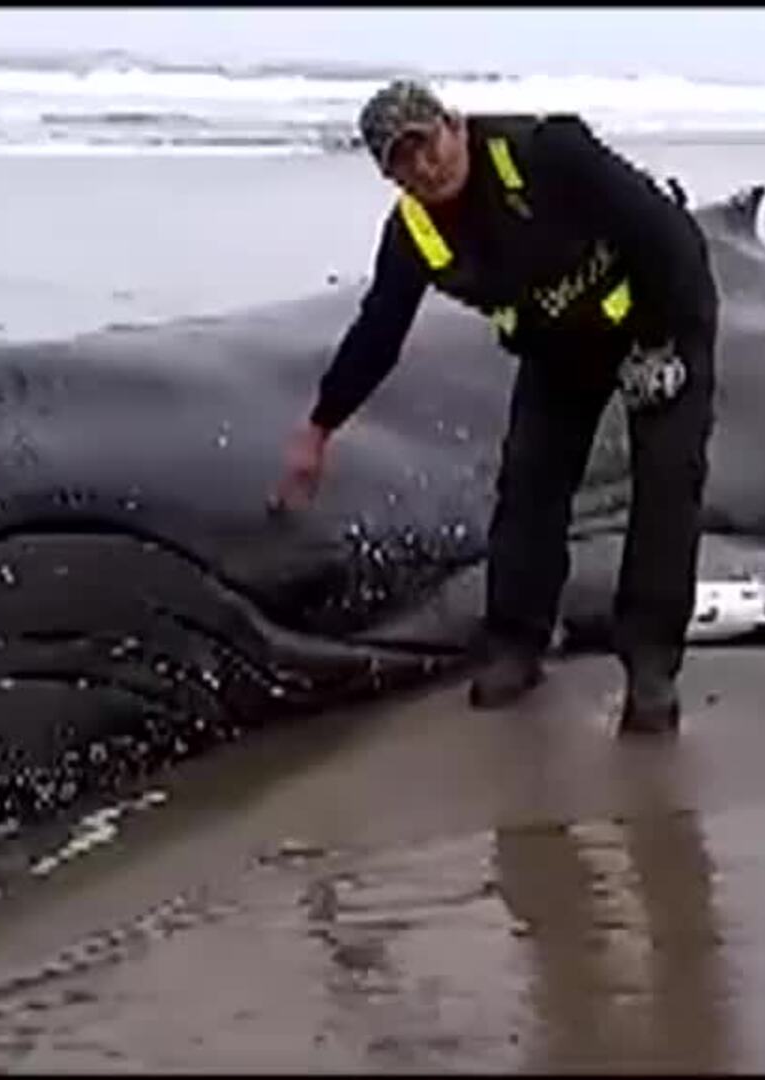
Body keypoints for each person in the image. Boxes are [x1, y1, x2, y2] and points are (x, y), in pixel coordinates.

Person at [274, 79, 718, 736]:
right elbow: (378, 331)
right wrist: (318, 429)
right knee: (529, 485)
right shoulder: (413, 234)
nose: (424, 167)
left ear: (454, 125)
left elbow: (668, 237)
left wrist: (660, 342)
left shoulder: (549, 151)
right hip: (562, 345)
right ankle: (516, 644)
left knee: (665, 486)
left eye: (426, 144)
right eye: (402, 161)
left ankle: (650, 667)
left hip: (657, 314)